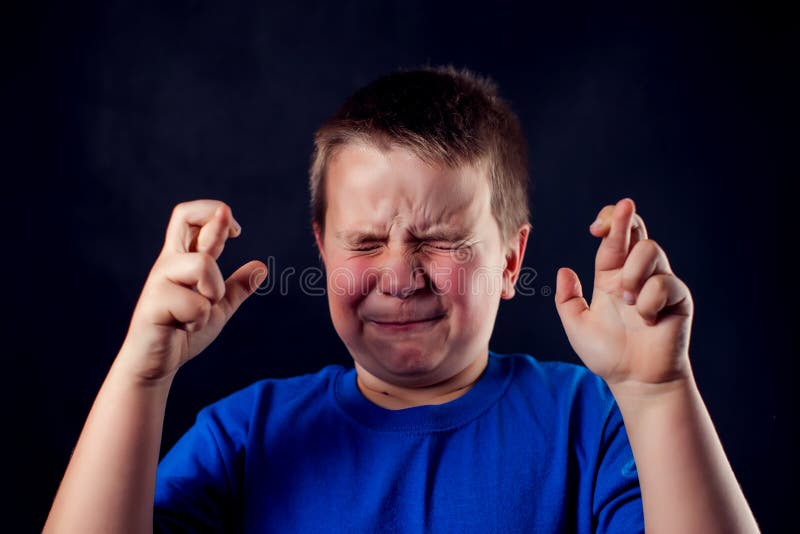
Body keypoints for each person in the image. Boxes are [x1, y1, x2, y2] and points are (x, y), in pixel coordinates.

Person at [44, 66, 759, 533]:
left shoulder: (593, 421)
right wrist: (141, 376)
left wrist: (659, 392)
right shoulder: (244, 436)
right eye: (364, 243)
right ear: (322, 253)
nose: (399, 275)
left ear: (511, 260)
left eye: (442, 240)